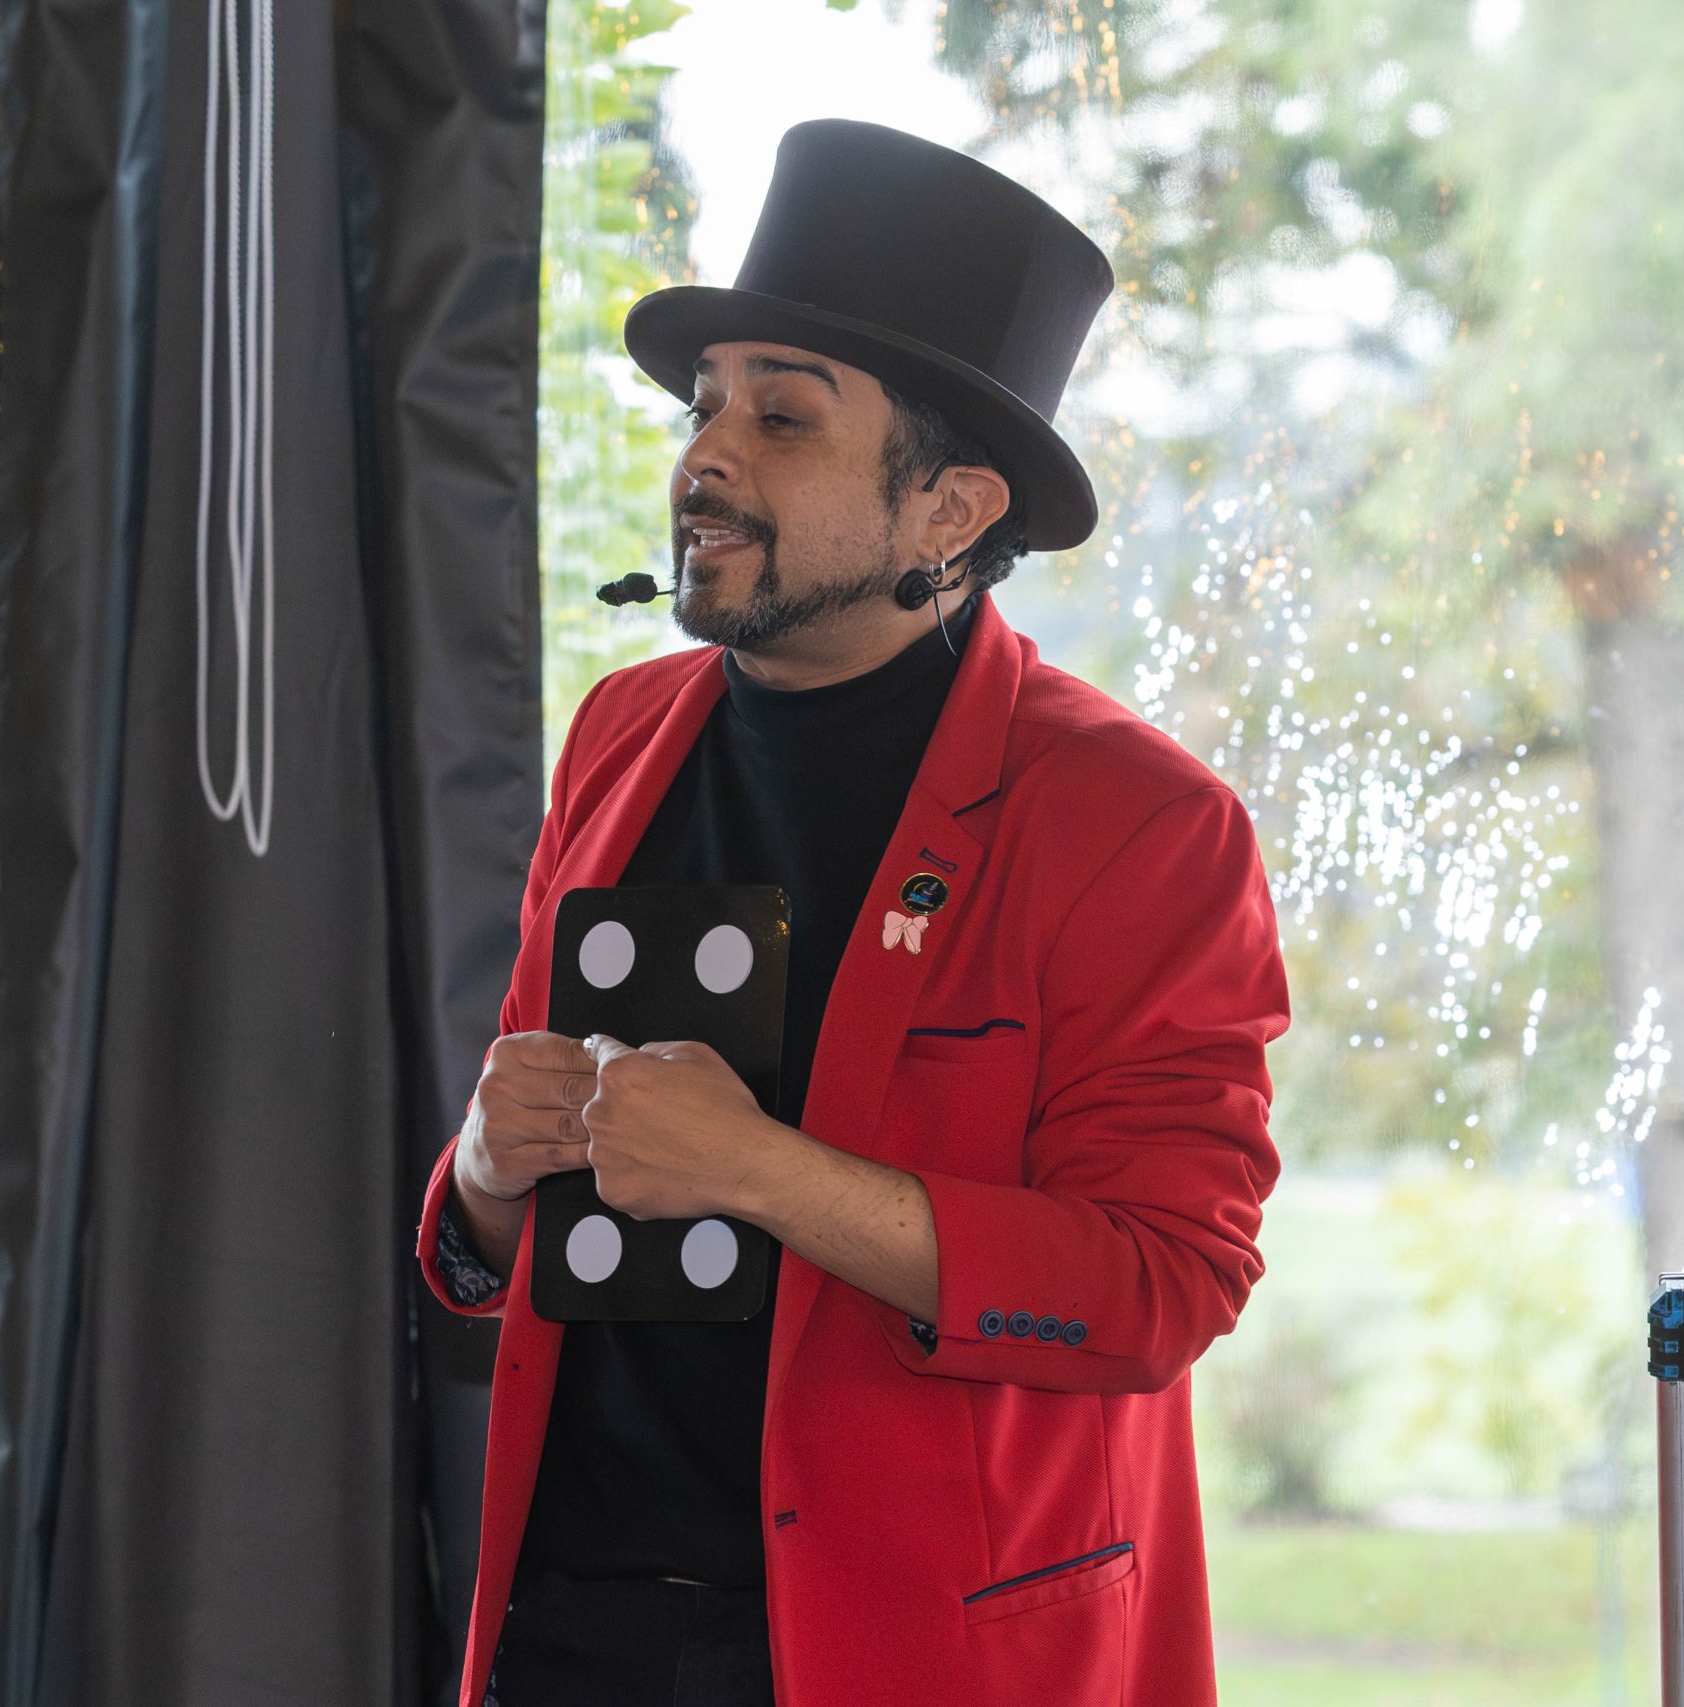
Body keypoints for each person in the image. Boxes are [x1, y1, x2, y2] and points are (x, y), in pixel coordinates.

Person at [413, 118, 1291, 1707]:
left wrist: (763, 1171)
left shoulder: (1138, 824)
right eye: (704, 405)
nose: (705, 458)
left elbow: (1161, 1285)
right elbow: (516, 1212)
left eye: (783, 416)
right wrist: (482, 1170)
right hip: (570, 1632)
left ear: (950, 511)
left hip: (921, 1654)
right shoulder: (617, 734)